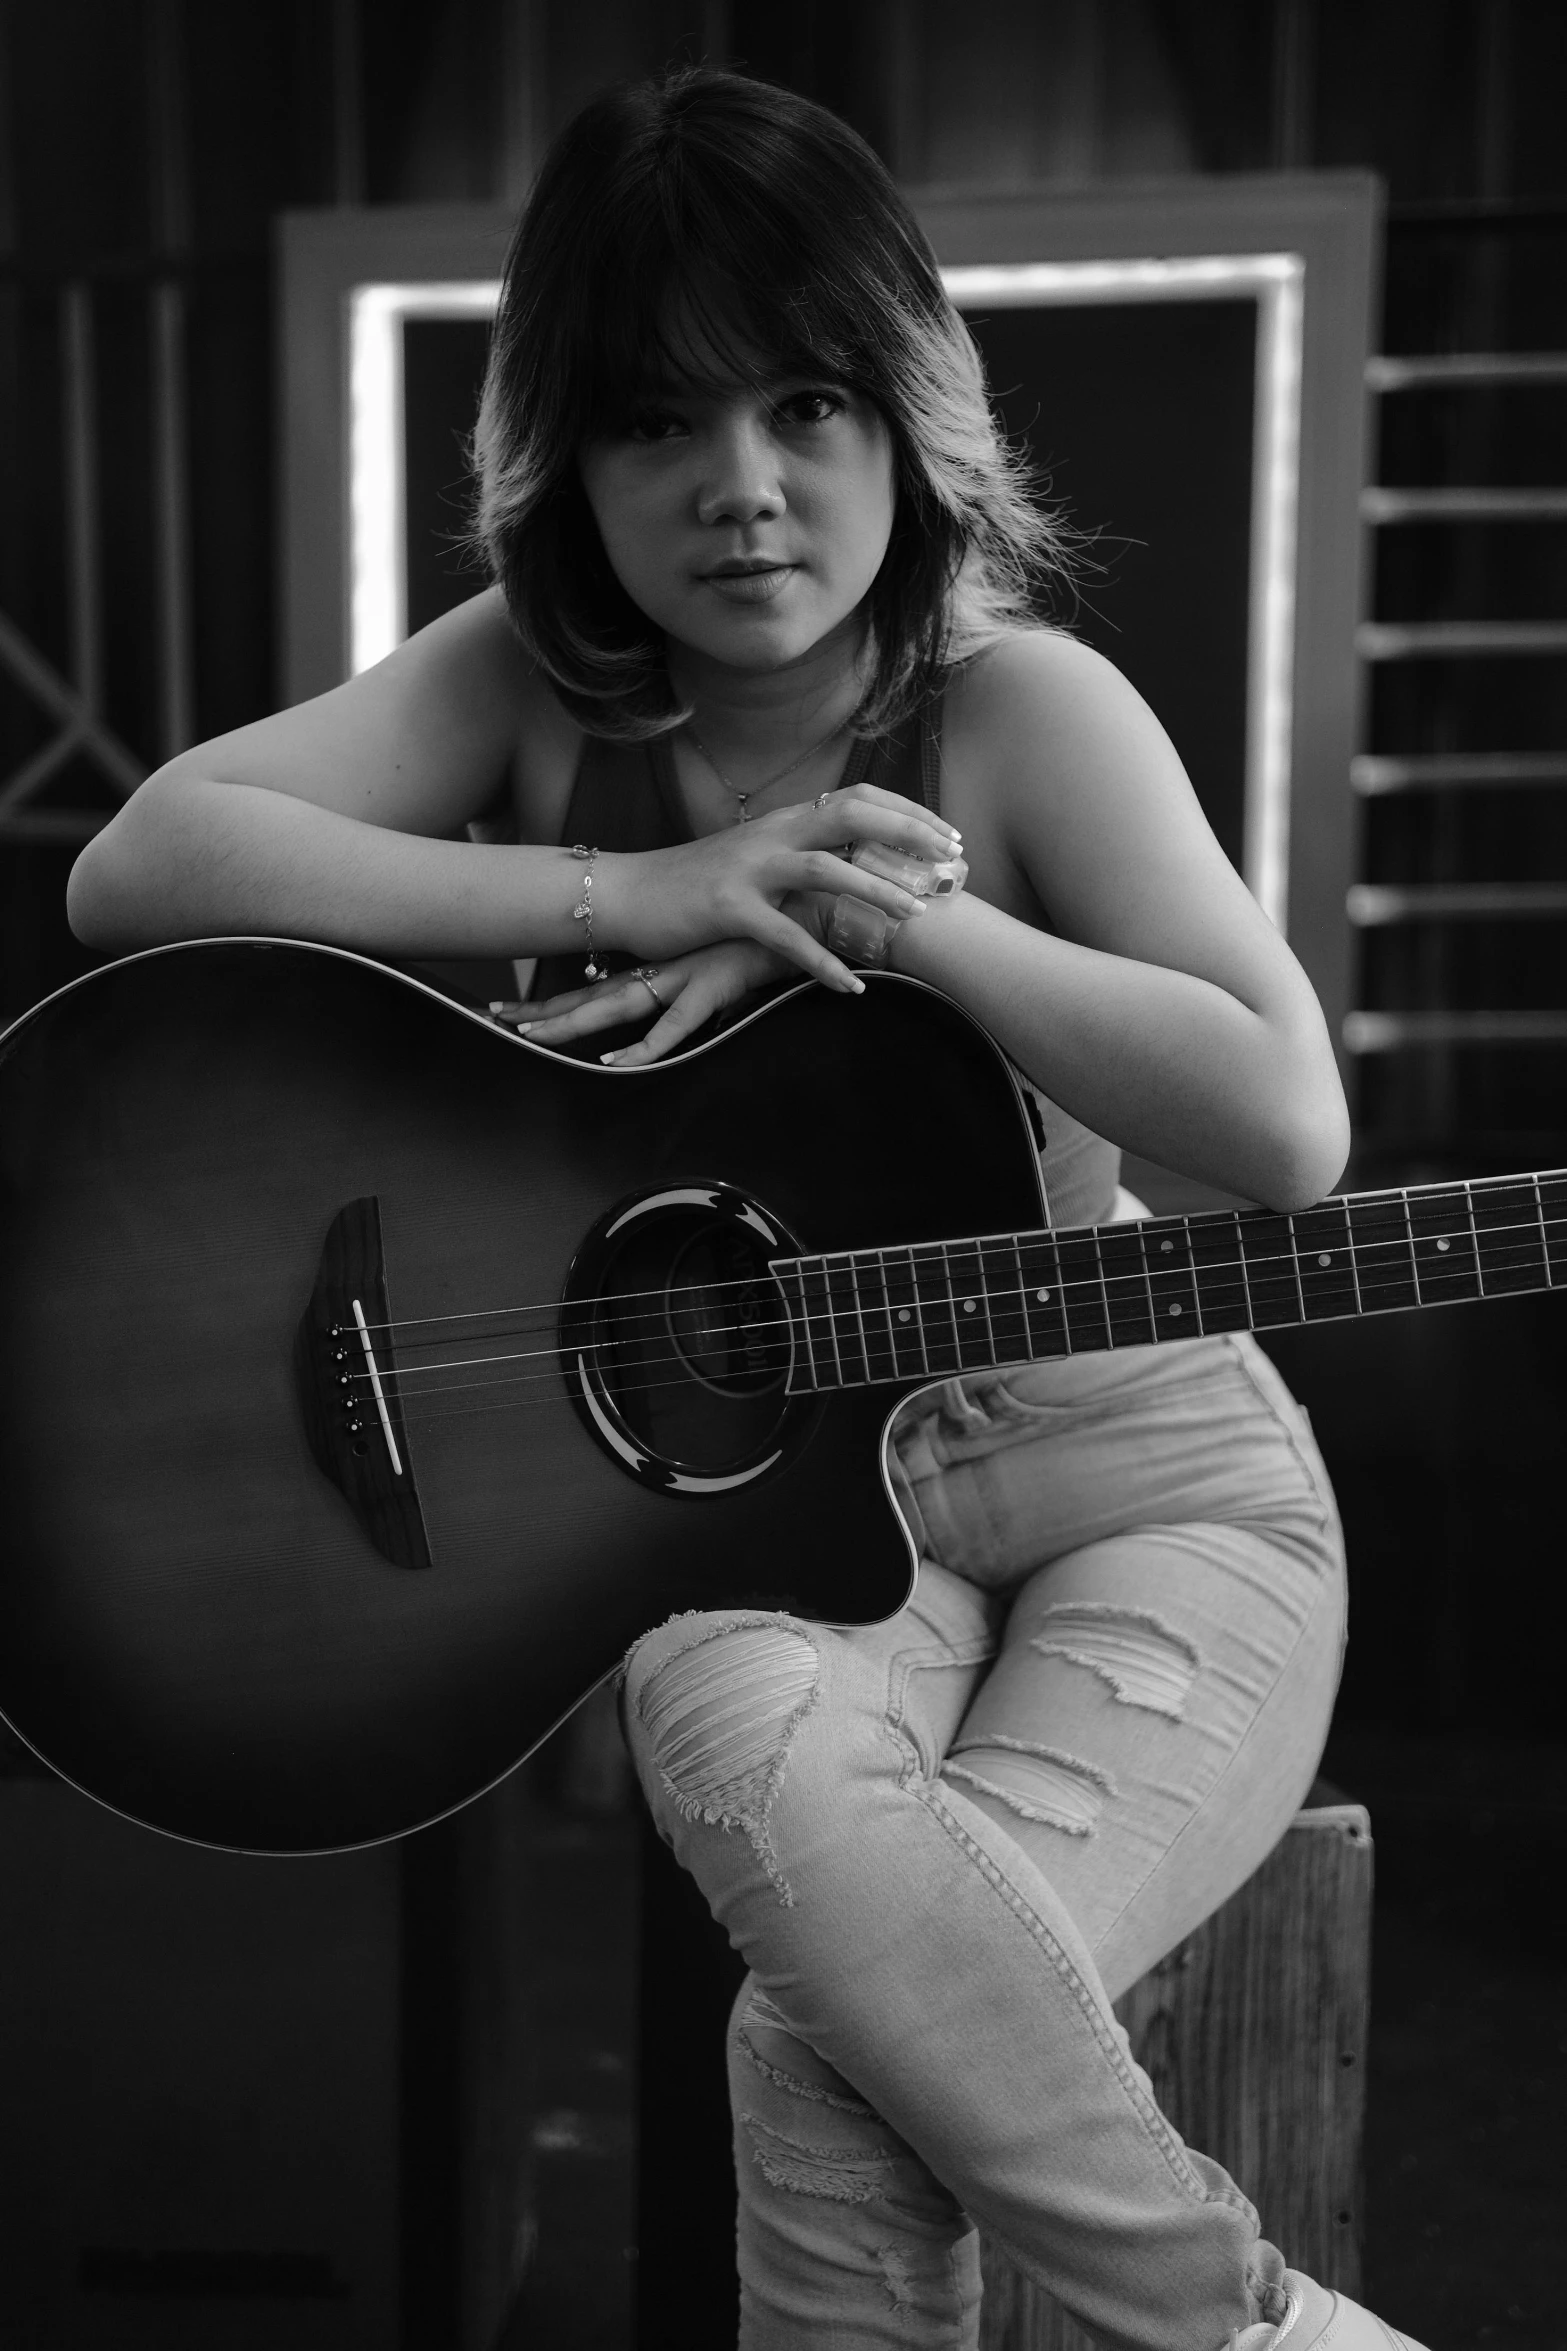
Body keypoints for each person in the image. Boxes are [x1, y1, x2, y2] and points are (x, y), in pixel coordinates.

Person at [68, 67, 1423, 2351]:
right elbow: (141, 867)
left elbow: (1286, 1135)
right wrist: (652, 874)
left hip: (1145, 1472)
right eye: (657, 423)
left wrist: (904, 922)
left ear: (908, 414)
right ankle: (1258, 2329)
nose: (744, 487)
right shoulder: (524, 698)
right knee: (728, 1761)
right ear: (565, 469)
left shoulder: (1020, 706)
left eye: (807, 400)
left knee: (826, 2040)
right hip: (755, 1504)